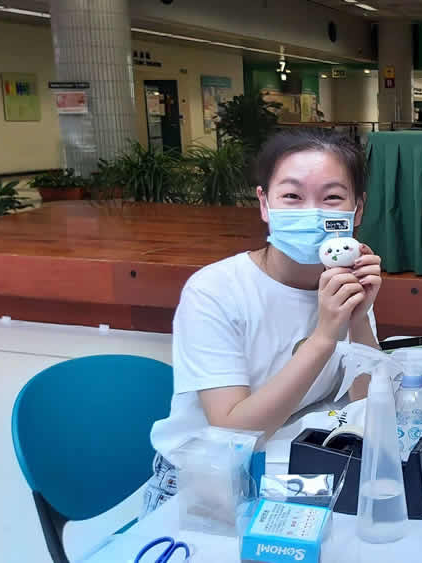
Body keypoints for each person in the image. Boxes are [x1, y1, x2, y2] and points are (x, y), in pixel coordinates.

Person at [145, 129, 382, 514]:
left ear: (357, 210)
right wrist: (324, 336)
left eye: (332, 197)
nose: (311, 212)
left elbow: (368, 405)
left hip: (285, 456)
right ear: (264, 204)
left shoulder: (342, 277)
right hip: (203, 478)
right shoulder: (215, 291)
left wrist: (358, 320)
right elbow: (232, 435)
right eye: (291, 196)